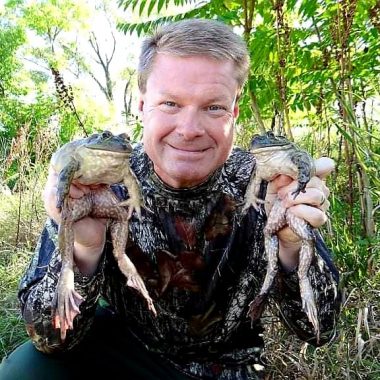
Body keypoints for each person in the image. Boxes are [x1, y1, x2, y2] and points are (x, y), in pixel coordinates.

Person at [0, 18, 340, 379]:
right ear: (143, 105)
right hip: (128, 352)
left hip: (227, 366)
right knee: (25, 370)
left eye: (213, 107)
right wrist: (84, 249)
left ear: (234, 111)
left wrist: (291, 246)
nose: (190, 129)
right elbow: (51, 341)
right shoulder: (102, 181)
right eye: (170, 104)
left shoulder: (267, 183)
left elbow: (321, 330)